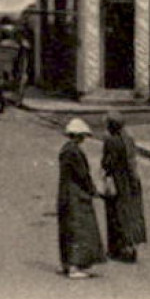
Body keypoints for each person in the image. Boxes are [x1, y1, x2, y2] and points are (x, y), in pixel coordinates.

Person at [56, 118, 105, 279]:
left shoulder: (66, 149)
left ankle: (67, 263)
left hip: (65, 192)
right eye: (82, 136)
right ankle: (74, 266)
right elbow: (83, 175)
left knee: (68, 229)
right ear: (77, 136)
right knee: (79, 230)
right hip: (75, 194)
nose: (84, 139)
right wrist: (93, 190)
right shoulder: (75, 152)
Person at [100, 111, 147, 263]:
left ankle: (117, 249)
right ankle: (131, 247)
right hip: (130, 182)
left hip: (117, 181)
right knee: (131, 214)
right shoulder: (128, 139)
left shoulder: (111, 141)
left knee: (115, 214)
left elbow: (107, 162)